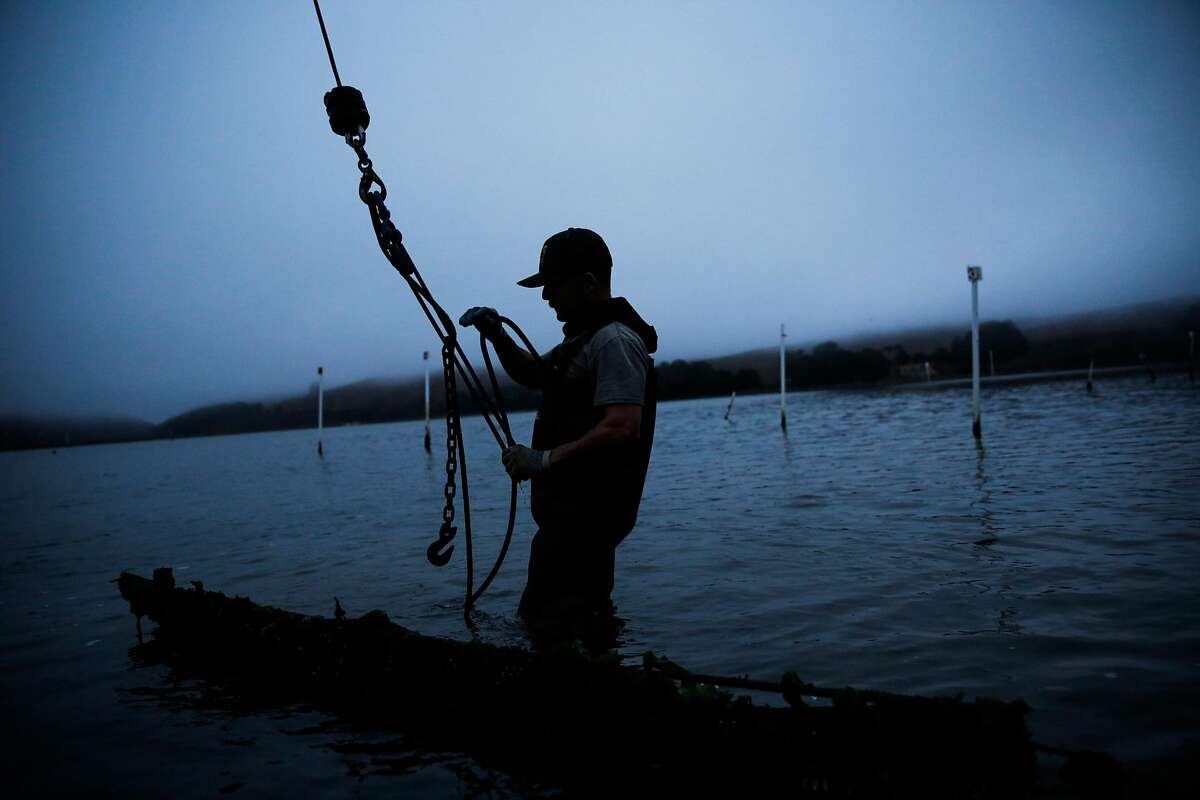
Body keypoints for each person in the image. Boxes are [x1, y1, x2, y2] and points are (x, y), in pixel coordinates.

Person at [461, 227, 657, 642]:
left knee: (557, 628)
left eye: (552, 285)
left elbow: (623, 427)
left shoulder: (614, 341)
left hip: (587, 523)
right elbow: (533, 373)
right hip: (567, 523)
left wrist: (541, 460)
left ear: (587, 283)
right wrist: (497, 335)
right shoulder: (584, 340)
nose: (545, 296)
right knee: (567, 628)